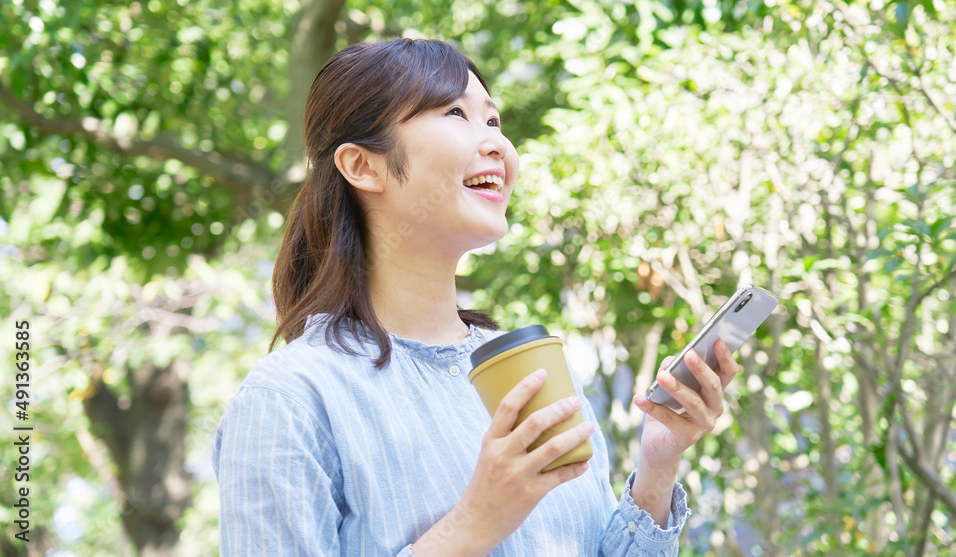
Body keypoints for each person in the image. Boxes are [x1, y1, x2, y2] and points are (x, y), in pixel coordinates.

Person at [213, 38, 739, 556]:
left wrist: (658, 465)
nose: (496, 144)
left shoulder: (533, 367)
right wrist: (473, 524)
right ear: (363, 166)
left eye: (492, 121)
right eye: (454, 113)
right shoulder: (291, 399)